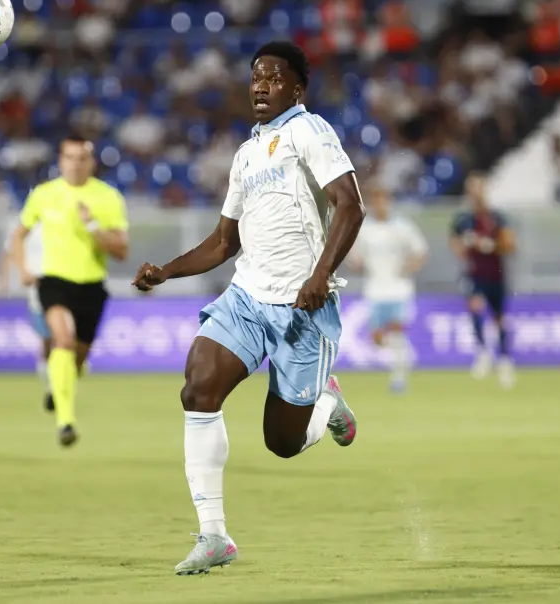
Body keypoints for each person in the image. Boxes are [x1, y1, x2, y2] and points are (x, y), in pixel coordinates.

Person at [132, 41, 364, 576]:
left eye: (274, 78)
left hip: (303, 308)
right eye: (255, 77)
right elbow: (222, 244)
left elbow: (350, 206)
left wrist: (320, 274)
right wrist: (166, 271)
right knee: (198, 387)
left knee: (282, 443)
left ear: (297, 88)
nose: (261, 86)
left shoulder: (310, 132)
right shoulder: (245, 155)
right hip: (246, 298)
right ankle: (213, 535)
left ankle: (327, 405)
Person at [9, 136, 129, 447]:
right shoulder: (44, 195)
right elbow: (18, 235)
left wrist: (92, 228)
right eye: (70, 157)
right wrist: (22, 268)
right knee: (62, 339)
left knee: (76, 362)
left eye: (82, 158)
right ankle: (66, 422)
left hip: (91, 286)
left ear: (91, 162)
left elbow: (121, 251)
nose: (75, 164)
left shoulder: (108, 197)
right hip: (54, 281)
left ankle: (56, 388)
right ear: (60, 161)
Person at [348, 183, 428, 393]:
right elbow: (355, 258)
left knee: (397, 332)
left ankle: (399, 379)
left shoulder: (402, 227)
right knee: (377, 338)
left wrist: (411, 266)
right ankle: (403, 357)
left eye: (383, 200)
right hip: (375, 290)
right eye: (375, 201)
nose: (379, 205)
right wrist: (355, 264)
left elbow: (420, 252)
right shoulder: (365, 230)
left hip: (399, 290)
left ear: (389, 202)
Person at [450, 172, 516, 387]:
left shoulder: (497, 218)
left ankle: (505, 360)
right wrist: (464, 247)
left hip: (495, 274)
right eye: (472, 189)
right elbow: (454, 244)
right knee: (475, 308)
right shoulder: (463, 220)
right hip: (474, 274)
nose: (475, 194)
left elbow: (510, 245)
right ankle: (483, 353)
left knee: (499, 318)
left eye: (478, 188)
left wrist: (488, 245)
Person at [0, 219, 53, 410]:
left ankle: (59, 383)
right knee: (48, 340)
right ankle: (50, 384)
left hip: (63, 283)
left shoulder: (63, 217)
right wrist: (4, 279)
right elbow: (9, 250)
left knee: (63, 336)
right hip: (36, 288)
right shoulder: (24, 223)